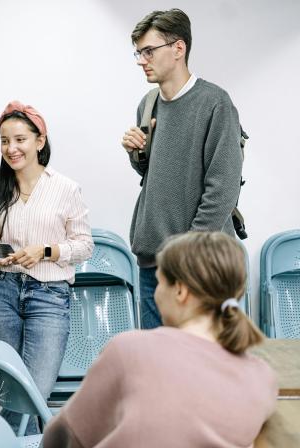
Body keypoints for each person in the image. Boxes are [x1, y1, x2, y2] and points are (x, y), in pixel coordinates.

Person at [43, 231, 277, 448]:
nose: (155, 293)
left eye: (160, 282)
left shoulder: (130, 350)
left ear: (180, 291)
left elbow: (63, 436)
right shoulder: (263, 378)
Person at [121, 9, 244, 329]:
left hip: (200, 266)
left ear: (178, 49)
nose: (141, 60)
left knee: (204, 369)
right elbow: (156, 174)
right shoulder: (147, 104)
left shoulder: (215, 103)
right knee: (157, 369)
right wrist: (138, 154)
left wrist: (186, 253)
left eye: (149, 51)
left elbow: (223, 189)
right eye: (138, 52)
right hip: (152, 265)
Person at [0, 100, 93, 434]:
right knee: (12, 392)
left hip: (49, 296)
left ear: (39, 141)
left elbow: (85, 246)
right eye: (4, 141)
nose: (11, 148)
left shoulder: (66, 188)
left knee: (33, 393)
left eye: (19, 139)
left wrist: (45, 250)